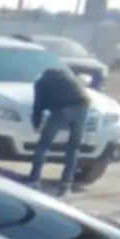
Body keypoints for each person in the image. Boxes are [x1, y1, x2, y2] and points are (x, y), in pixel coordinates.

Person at [29, 61, 92, 193]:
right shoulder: (69, 78)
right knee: (73, 147)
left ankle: (34, 180)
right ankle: (66, 184)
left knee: (43, 145)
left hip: (63, 109)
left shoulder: (41, 83)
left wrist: (36, 123)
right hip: (83, 106)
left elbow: (38, 105)